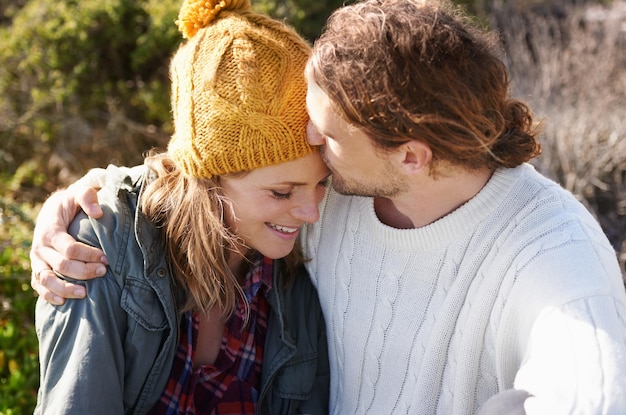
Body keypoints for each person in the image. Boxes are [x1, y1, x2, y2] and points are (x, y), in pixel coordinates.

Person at [31, 0, 626, 413]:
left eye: (325, 133)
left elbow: (594, 397)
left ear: (412, 156)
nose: (309, 142)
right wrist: (76, 203)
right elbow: (210, 171)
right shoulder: (338, 194)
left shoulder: (553, 254)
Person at [31, 0, 331, 413]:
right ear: (209, 176)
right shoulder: (102, 248)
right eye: (282, 192)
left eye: (321, 184)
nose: (311, 212)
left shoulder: (298, 286)